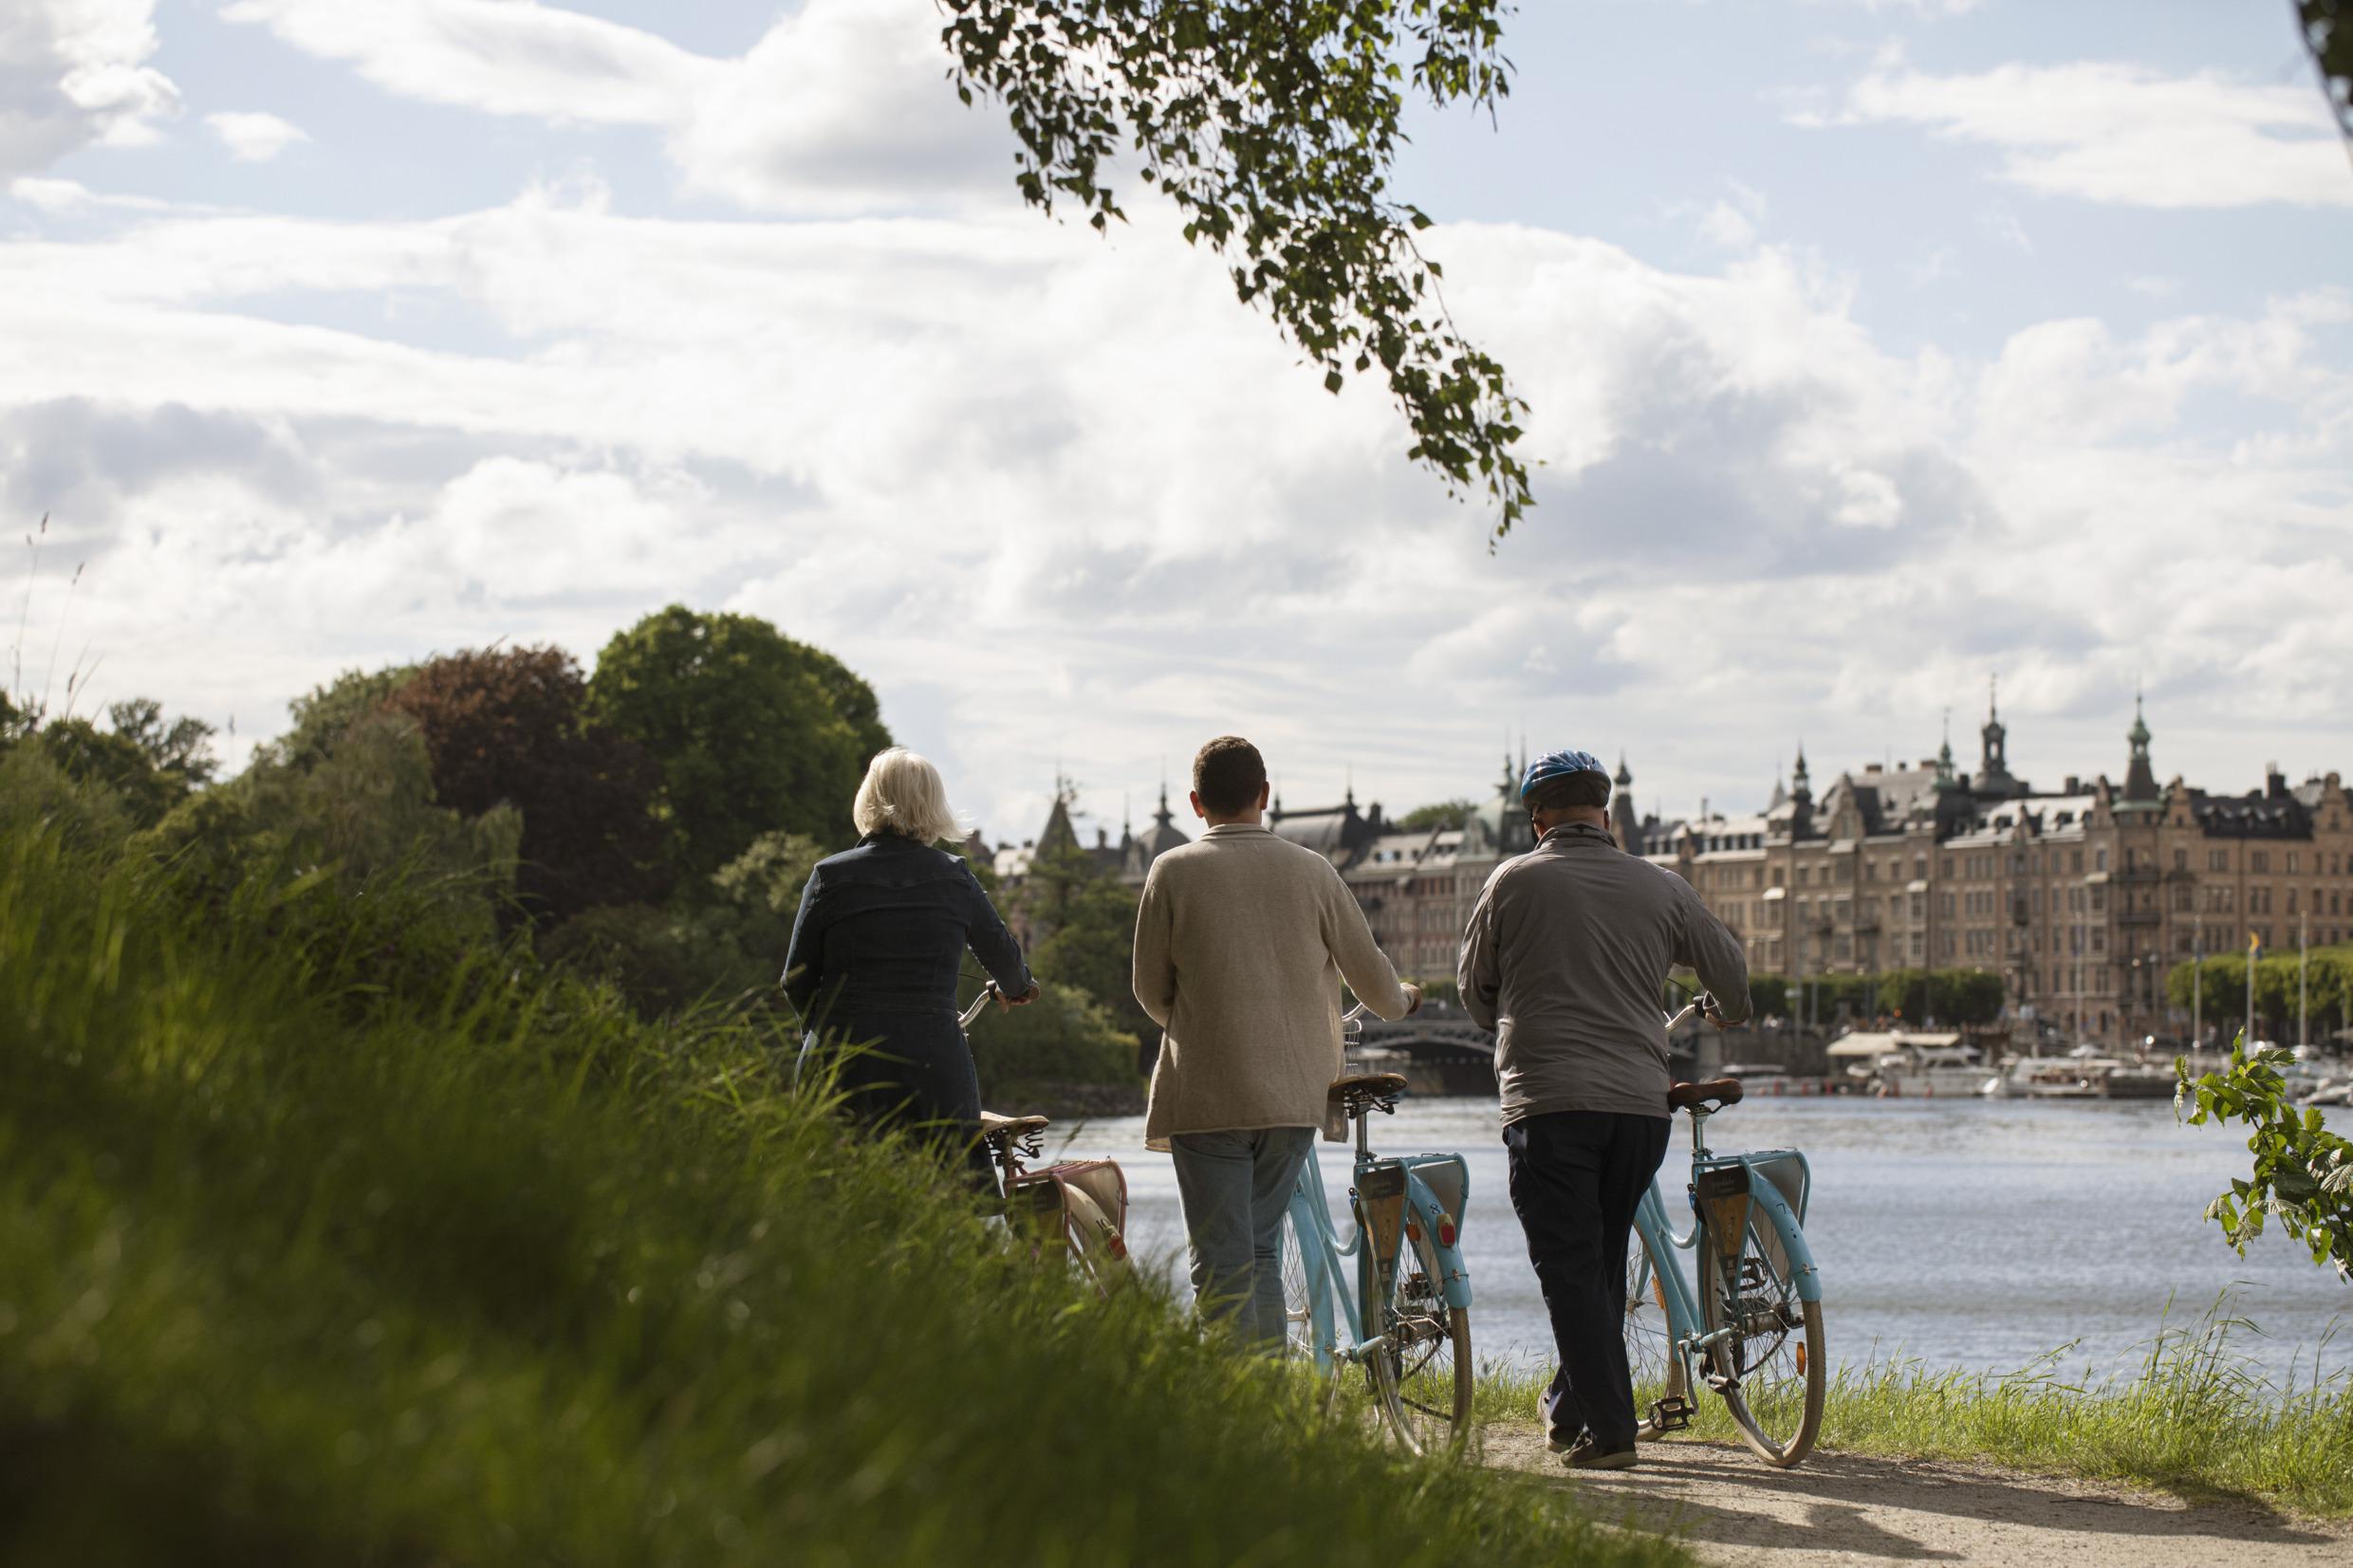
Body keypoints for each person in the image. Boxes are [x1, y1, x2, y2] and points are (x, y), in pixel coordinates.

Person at [1457, 747, 1750, 1470]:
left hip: (1550, 1101)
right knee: (1598, 1263)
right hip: (1640, 1111)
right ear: (1607, 814)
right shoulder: (1662, 885)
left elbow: (1474, 994)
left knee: (1568, 1265)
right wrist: (1725, 1011)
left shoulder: (1511, 883)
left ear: (1537, 820)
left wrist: (1517, 1009)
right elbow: (1733, 978)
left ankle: (1613, 1432)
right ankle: (1569, 1407)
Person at [1132, 735, 1422, 1345]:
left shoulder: (1172, 871)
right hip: (1293, 1098)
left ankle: (1246, 1410)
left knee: (1221, 1261)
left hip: (1208, 1094)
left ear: (1195, 803)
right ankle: (1270, 1405)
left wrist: (1201, 1023)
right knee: (1260, 1250)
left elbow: (1150, 991)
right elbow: (1375, 984)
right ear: (1264, 796)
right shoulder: (1313, 871)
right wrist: (1407, 999)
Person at [785, 747, 1038, 1187]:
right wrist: (1016, 987)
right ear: (932, 806)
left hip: (841, 1060)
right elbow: (1006, 959)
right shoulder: (955, 876)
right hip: (930, 1065)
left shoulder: (829, 876)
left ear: (868, 799)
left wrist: (826, 1027)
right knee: (944, 1203)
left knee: (830, 1199)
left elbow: (795, 980)